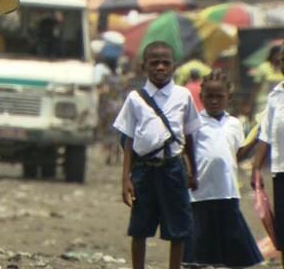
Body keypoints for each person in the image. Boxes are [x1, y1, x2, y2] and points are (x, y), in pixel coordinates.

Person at [113, 40, 201, 269]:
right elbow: (129, 139)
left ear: (174, 66)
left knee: (178, 228)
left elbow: (189, 136)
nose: (160, 67)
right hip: (144, 169)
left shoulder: (183, 96)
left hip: (173, 168)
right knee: (140, 227)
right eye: (154, 63)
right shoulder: (135, 98)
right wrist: (126, 179)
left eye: (165, 63)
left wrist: (194, 170)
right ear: (144, 67)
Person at [183, 69, 263, 268]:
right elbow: (186, 150)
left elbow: (236, 155)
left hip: (227, 190)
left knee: (230, 237)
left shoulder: (234, 124)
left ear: (229, 98)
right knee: (200, 238)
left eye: (219, 97)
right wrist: (189, 173)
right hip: (200, 191)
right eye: (209, 96)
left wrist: (254, 140)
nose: (214, 101)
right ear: (201, 97)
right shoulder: (195, 123)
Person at [251, 48, 284, 268]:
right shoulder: (275, 96)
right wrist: (256, 167)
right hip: (280, 171)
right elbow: (265, 133)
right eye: (281, 60)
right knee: (282, 232)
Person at [250, 44, 283, 122]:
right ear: (272, 54)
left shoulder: (282, 68)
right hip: (263, 102)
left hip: (280, 102)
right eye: (277, 54)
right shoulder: (263, 67)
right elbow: (256, 87)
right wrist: (250, 104)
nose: (278, 57)